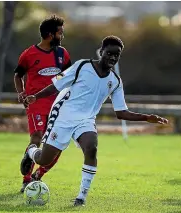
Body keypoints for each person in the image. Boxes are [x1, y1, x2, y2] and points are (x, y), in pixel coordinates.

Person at [21, 35, 168, 206]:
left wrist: (146, 117)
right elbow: (56, 85)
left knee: (91, 148)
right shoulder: (82, 65)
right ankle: (31, 151)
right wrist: (35, 97)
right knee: (43, 160)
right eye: (110, 53)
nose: (113, 57)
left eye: (117, 55)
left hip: (86, 120)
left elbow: (121, 112)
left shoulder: (115, 81)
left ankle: (81, 197)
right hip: (63, 115)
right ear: (102, 51)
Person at [14, 15, 72, 193]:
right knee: (37, 138)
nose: (62, 36)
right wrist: (21, 92)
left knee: (57, 144)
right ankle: (26, 178)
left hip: (58, 105)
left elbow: (70, 77)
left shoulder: (62, 54)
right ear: (49, 34)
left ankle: (38, 175)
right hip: (36, 103)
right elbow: (18, 75)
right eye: (59, 33)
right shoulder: (29, 54)